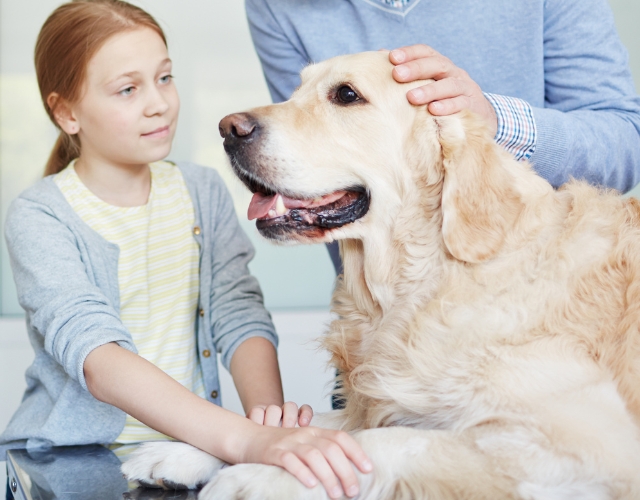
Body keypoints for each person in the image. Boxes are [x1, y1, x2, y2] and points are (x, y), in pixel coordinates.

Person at [1, 2, 372, 499]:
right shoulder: (40, 214)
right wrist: (247, 439)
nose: (159, 103)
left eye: (165, 78)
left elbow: (237, 312)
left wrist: (269, 421)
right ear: (66, 112)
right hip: (71, 464)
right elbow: (96, 354)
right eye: (128, 89)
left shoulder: (201, 190)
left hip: (188, 452)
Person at [245, 0, 640, 273]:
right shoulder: (277, 6)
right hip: (380, 324)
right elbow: (317, 170)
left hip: (543, 303)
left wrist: (492, 120)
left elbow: (626, 141)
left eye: (347, 95)